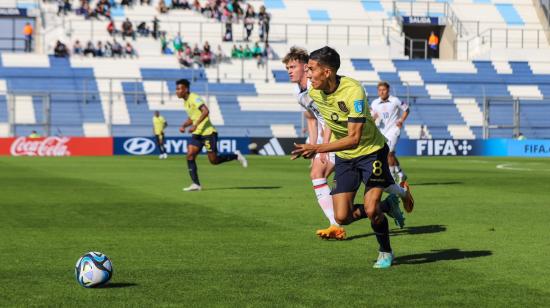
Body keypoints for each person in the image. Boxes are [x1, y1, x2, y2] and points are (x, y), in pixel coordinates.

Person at [292, 47, 414, 268]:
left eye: (311, 69)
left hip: (371, 152)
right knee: (341, 217)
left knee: (370, 208)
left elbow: (354, 138)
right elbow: (327, 120)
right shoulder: (316, 93)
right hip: (345, 157)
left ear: (327, 72)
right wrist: (322, 146)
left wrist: (319, 148)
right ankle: (389, 205)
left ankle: (385, 251)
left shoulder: (353, 91)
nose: (308, 74)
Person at [175, 79, 248, 191]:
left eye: (179, 89)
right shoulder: (185, 102)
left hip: (208, 132)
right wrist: (184, 125)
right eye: (177, 89)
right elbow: (193, 117)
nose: (177, 91)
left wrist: (195, 125)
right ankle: (196, 184)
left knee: (214, 160)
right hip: (197, 134)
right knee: (190, 155)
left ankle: (236, 156)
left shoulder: (194, 97)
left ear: (186, 89)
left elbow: (205, 111)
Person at [370, 82, 410, 184]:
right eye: (379, 90)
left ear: (388, 90)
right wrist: (373, 118)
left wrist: (401, 120)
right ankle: (401, 174)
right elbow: (371, 116)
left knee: (389, 152)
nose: (382, 92)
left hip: (394, 130)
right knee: (389, 154)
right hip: (382, 131)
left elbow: (406, 109)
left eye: (384, 90)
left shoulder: (395, 100)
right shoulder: (374, 103)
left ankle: (391, 178)